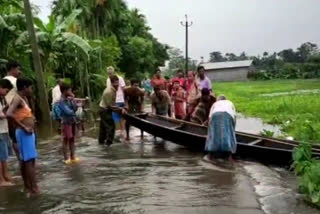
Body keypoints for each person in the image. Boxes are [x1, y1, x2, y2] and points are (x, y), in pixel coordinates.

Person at [6, 78, 39, 195]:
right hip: (24, 133)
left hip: (26, 133)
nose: (31, 90)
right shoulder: (17, 99)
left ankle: (28, 187)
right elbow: (9, 113)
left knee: (26, 160)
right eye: (30, 88)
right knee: (29, 161)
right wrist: (23, 126)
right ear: (25, 87)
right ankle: (34, 189)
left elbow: (9, 112)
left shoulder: (21, 99)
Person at [205, 95, 236, 162]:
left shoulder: (215, 104)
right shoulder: (230, 103)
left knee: (213, 134)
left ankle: (210, 155)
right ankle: (229, 156)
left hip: (215, 115)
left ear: (218, 100)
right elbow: (234, 119)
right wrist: (233, 130)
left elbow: (210, 119)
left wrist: (209, 132)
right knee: (229, 135)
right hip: (228, 115)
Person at [99, 75, 126, 146]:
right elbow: (110, 106)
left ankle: (101, 143)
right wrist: (120, 109)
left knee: (103, 128)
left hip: (105, 109)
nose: (117, 85)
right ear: (112, 83)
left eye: (118, 83)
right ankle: (109, 144)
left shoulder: (113, 90)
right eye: (115, 83)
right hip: (104, 110)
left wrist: (120, 109)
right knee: (111, 127)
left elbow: (112, 104)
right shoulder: (109, 92)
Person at [3, 60, 21, 160]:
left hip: (7, 114)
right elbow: (14, 99)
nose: (19, 72)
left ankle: (20, 159)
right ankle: (22, 159)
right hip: (16, 113)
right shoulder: (14, 81)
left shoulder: (3, 80)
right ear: (12, 69)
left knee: (14, 138)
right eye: (18, 69)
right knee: (18, 138)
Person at [58, 84, 78, 164]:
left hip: (72, 121)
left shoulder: (69, 99)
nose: (71, 92)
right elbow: (68, 112)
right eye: (69, 90)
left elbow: (75, 108)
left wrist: (73, 100)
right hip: (66, 122)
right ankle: (66, 158)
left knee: (72, 139)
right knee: (66, 140)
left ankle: (72, 156)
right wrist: (73, 112)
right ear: (65, 91)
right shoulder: (61, 101)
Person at [0, 79, 14, 187]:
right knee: (1, 157)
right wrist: (7, 114)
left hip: (4, 130)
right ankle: (1, 180)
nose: (6, 92)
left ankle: (5, 175)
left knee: (4, 156)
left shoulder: (2, 100)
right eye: (6, 90)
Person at [106, 66, 126, 138]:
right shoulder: (108, 80)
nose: (110, 75)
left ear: (113, 72)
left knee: (122, 116)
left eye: (111, 73)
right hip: (113, 100)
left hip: (120, 99)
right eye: (108, 73)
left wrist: (125, 100)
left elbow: (124, 89)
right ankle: (115, 131)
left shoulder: (119, 78)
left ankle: (123, 130)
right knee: (114, 117)